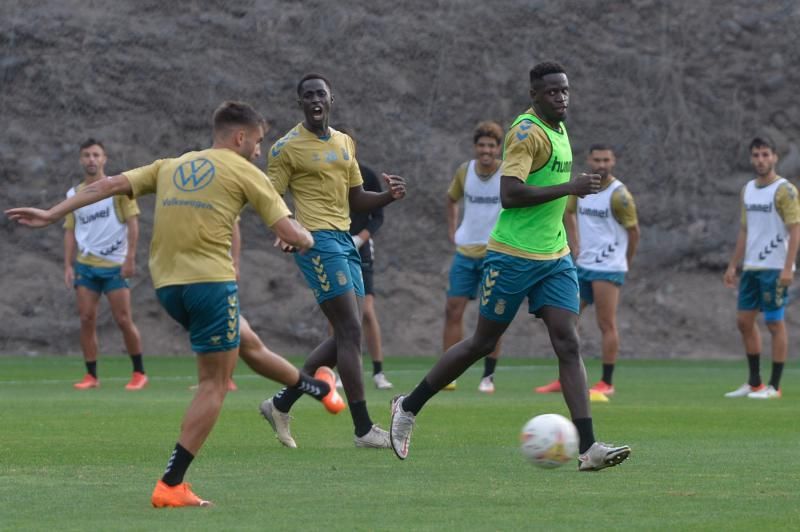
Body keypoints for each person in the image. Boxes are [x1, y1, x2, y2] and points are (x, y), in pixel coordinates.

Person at [6, 101, 343, 507]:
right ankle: (171, 484)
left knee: (248, 342)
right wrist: (306, 239)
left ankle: (316, 389)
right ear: (240, 137)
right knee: (214, 384)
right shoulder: (247, 172)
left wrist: (50, 213)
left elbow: (104, 186)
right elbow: (288, 229)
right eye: (257, 142)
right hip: (210, 283)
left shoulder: (170, 165)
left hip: (169, 289)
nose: (258, 150)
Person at [389, 62, 631, 471]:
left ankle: (588, 448)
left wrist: (568, 231)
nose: (561, 98)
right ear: (534, 95)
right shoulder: (525, 132)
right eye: (552, 92)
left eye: (565, 91)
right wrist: (571, 187)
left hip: (553, 257)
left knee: (568, 342)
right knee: (482, 342)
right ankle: (408, 406)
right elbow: (510, 194)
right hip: (512, 255)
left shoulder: (558, 128)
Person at [260, 74, 406, 449]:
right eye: (307, 95)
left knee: (347, 332)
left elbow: (356, 199)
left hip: (344, 240)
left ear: (331, 99)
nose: (314, 100)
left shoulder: (344, 143)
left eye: (320, 94)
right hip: (315, 242)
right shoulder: (285, 147)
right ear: (300, 104)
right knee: (350, 332)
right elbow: (270, 198)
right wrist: (287, 232)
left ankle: (280, 404)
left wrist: (387, 197)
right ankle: (363, 429)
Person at [535, 145, 640, 396]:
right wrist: (575, 242)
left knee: (606, 323)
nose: (601, 164)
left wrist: (624, 261)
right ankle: (566, 377)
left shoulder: (620, 195)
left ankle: (607, 382)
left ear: (613, 161)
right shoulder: (582, 188)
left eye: (606, 159)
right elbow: (568, 213)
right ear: (589, 161)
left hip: (607, 268)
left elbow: (634, 232)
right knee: (565, 321)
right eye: (597, 160)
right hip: (583, 265)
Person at [63, 139, 146, 390]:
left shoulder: (116, 189)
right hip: (86, 265)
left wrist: (130, 257)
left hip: (114, 265)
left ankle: (139, 372)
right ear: (80, 159)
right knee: (86, 318)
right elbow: (70, 230)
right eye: (86, 155)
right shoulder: (73, 195)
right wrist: (68, 264)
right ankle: (91, 375)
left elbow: (133, 223)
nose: (91, 159)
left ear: (104, 158)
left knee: (122, 318)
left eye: (96, 155)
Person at [723, 136, 800, 399]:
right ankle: (754, 382)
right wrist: (733, 264)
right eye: (756, 155)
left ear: (775, 157)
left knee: (774, 323)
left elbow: (795, 229)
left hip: (775, 267)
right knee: (744, 321)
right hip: (752, 267)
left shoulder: (785, 190)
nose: (761, 160)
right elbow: (746, 229)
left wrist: (789, 267)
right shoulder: (748, 189)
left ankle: (774, 386)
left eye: (765, 154)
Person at [443, 121, 505, 393]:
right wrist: (453, 230)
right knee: (452, 310)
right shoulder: (464, 171)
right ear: (475, 147)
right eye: (481, 145)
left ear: (498, 148)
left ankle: (487, 377)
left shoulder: (507, 173)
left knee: (492, 315)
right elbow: (451, 199)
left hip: (497, 252)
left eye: (491, 145)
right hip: (465, 251)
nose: (486, 150)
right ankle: (448, 374)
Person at [339, 125, 393, 390]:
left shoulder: (367, 176)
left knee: (367, 311)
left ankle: (378, 372)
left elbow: (378, 216)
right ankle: (337, 371)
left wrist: (359, 238)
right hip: (334, 248)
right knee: (338, 311)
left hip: (360, 248)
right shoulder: (326, 176)